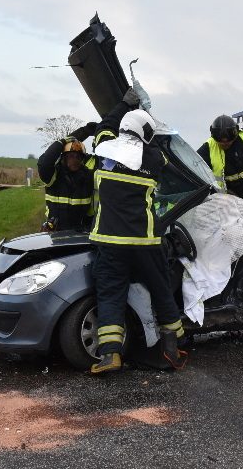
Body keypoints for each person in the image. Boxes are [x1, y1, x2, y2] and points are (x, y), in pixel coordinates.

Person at [89, 93, 186, 374]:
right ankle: (172, 348)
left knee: (110, 295)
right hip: (145, 241)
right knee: (161, 291)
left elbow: (103, 127)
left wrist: (123, 103)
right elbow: (168, 165)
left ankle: (110, 355)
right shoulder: (154, 158)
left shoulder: (103, 149)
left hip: (110, 241)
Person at [37, 123, 98, 232]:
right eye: (70, 156)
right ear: (63, 158)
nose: (74, 160)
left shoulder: (88, 176)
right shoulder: (54, 175)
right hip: (54, 231)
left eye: (78, 157)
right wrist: (62, 142)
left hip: (79, 232)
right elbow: (45, 162)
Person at [197, 114, 243, 205]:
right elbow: (195, 166)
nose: (225, 144)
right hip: (232, 195)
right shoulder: (208, 147)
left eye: (228, 141)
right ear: (214, 136)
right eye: (221, 142)